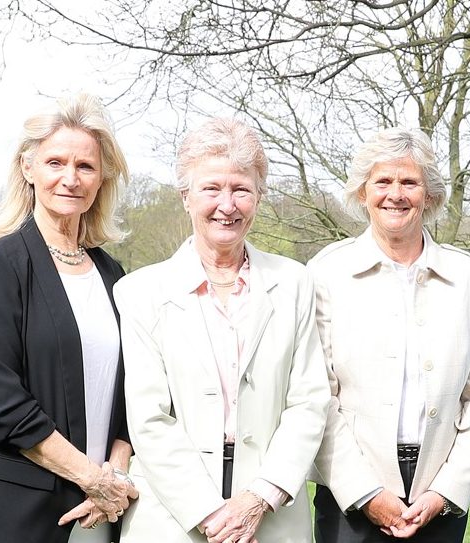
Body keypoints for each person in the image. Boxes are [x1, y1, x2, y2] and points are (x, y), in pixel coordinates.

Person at [115, 118, 330, 543]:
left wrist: (259, 498)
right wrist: (213, 516)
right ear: (186, 197)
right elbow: (148, 418)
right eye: (211, 188)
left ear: (259, 197)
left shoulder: (295, 283)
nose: (227, 205)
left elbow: (308, 403)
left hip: (271, 518)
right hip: (171, 520)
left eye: (241, 190)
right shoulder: (139, 293)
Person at [0, 94, 136, 543]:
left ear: (102, 177)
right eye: (55, 163)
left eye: (85, 166)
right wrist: (92, 477)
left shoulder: (114, 276)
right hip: (10, 515)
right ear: (28, 168)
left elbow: (133, 394)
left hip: (100, 511)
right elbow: (2, 405)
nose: (70, 178)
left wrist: (115, 476)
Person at [308, 127, 470, 542]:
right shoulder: (326, 273)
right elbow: (316, 393)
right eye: (382, 181)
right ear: (363, 192)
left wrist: (447, 490)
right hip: (349, 495)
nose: (395, 194)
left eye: (409, 182)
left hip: (439, 494)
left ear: (429, 195)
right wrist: (364, 492)